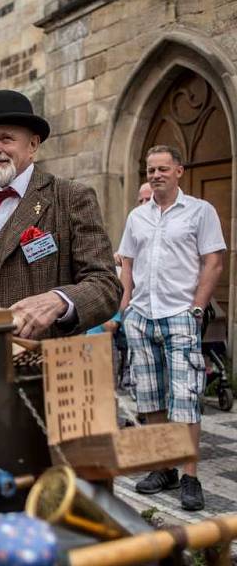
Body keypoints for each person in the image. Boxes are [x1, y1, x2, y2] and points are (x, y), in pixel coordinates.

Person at [0, 89, 121, 339]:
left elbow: (106, 286)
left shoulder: (71, 197)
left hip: (46, 366)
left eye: (6, 138)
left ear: (32, 145)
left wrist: (59, 301)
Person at [119, 144, 226, 512]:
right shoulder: (137, 217)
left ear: (179, 170)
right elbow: (127, 265)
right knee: (149, 397)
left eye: (163, 169)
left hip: (181, 313)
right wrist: (125, 309)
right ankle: (162, 468)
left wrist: (197, 307)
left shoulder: (200, 211)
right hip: (142, 315)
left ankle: (190, 476)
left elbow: (213, 262)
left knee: (185, 398)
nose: (156, 175)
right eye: (151, 170)